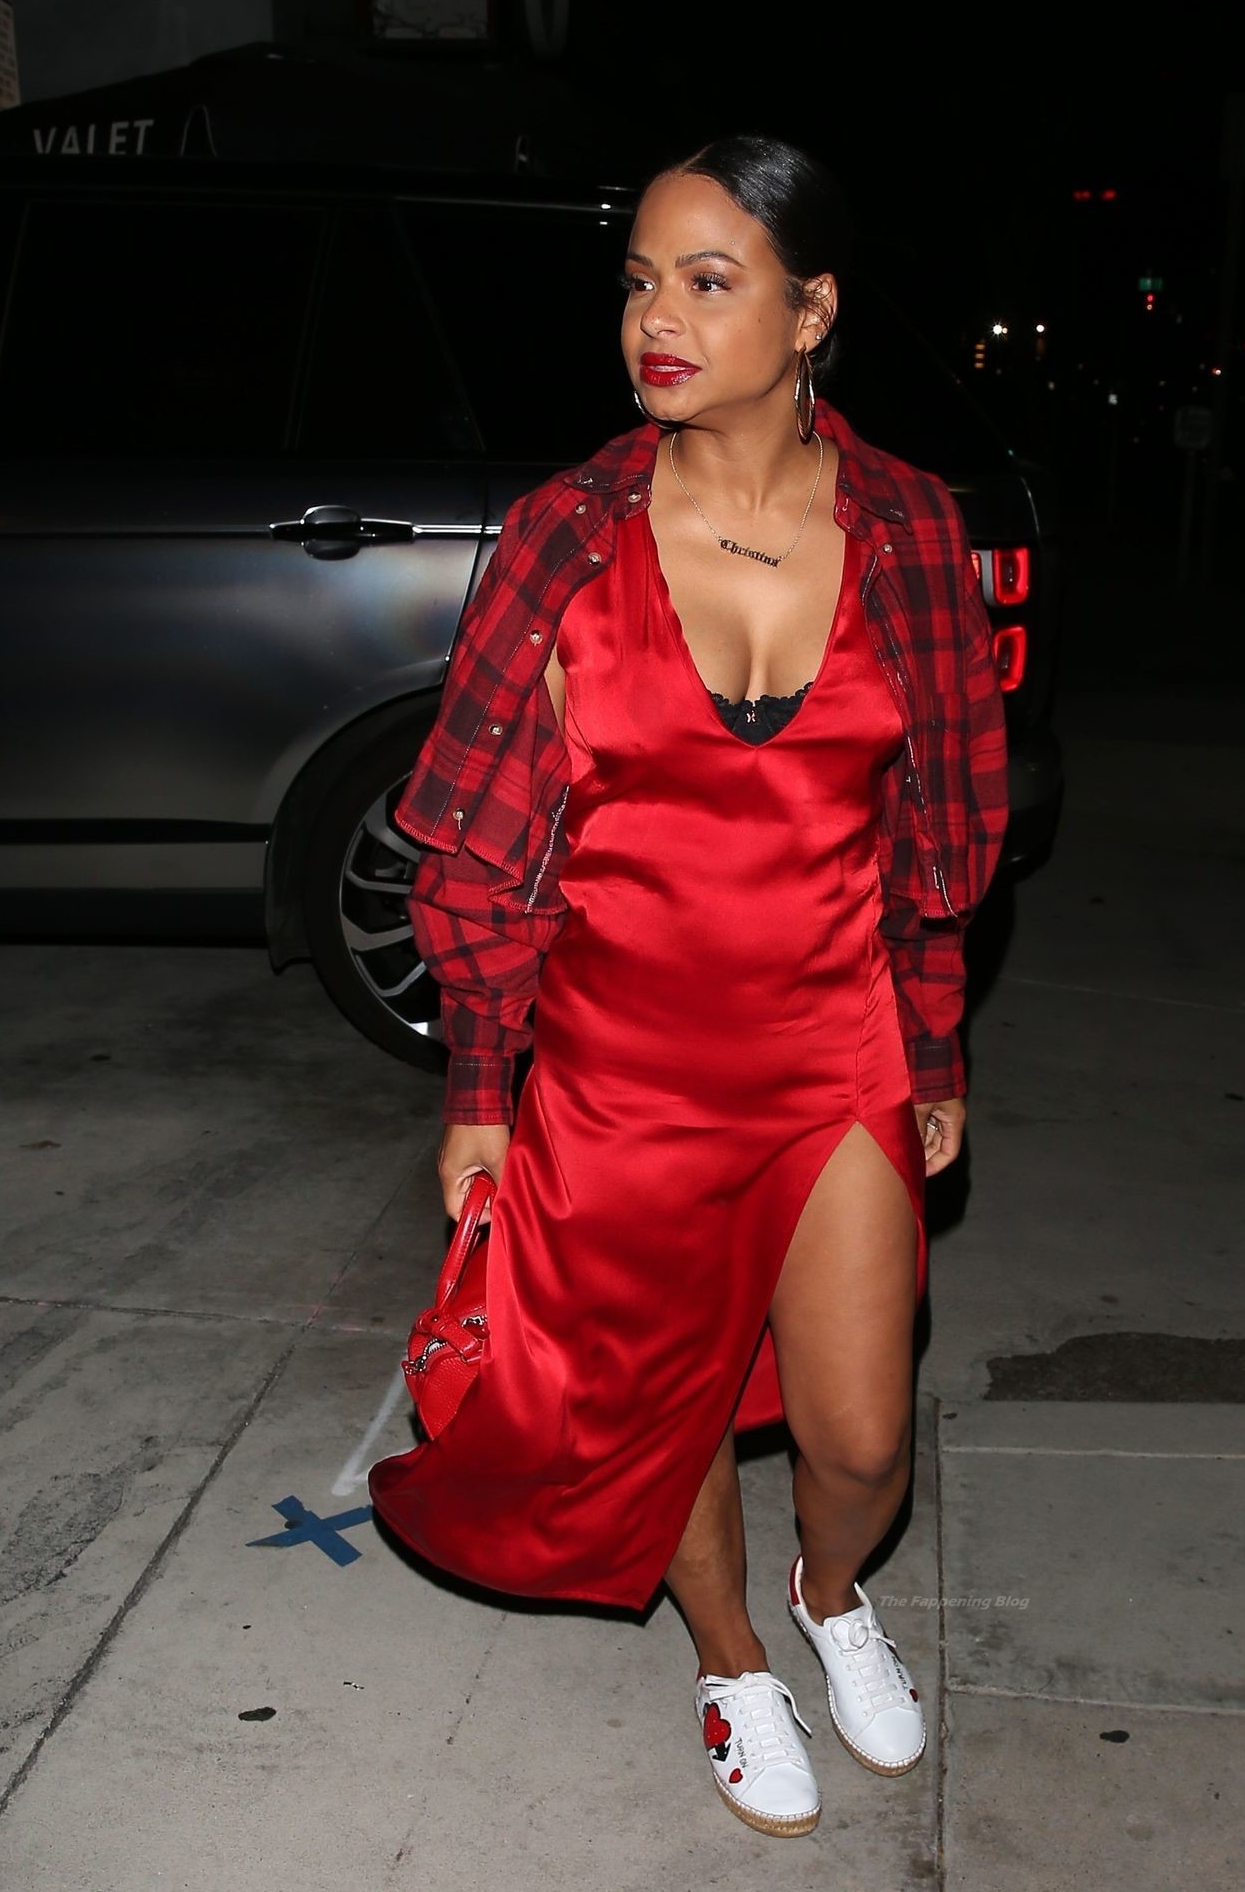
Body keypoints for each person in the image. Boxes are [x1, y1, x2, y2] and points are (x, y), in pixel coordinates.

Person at [369, 133, 1008, 1839]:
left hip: (832, 1051)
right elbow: (474, 847)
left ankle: (827, 1590)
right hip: (616, 1077)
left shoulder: (911, 530)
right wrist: (484, 1089)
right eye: (640, 280)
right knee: (657, 1417)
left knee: (859, 1433)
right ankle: (730, 1658)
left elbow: (942, 831)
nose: (656, 318)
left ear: (810, 311)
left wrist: (931, 1043)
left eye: (708, 282)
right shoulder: (564, 538)